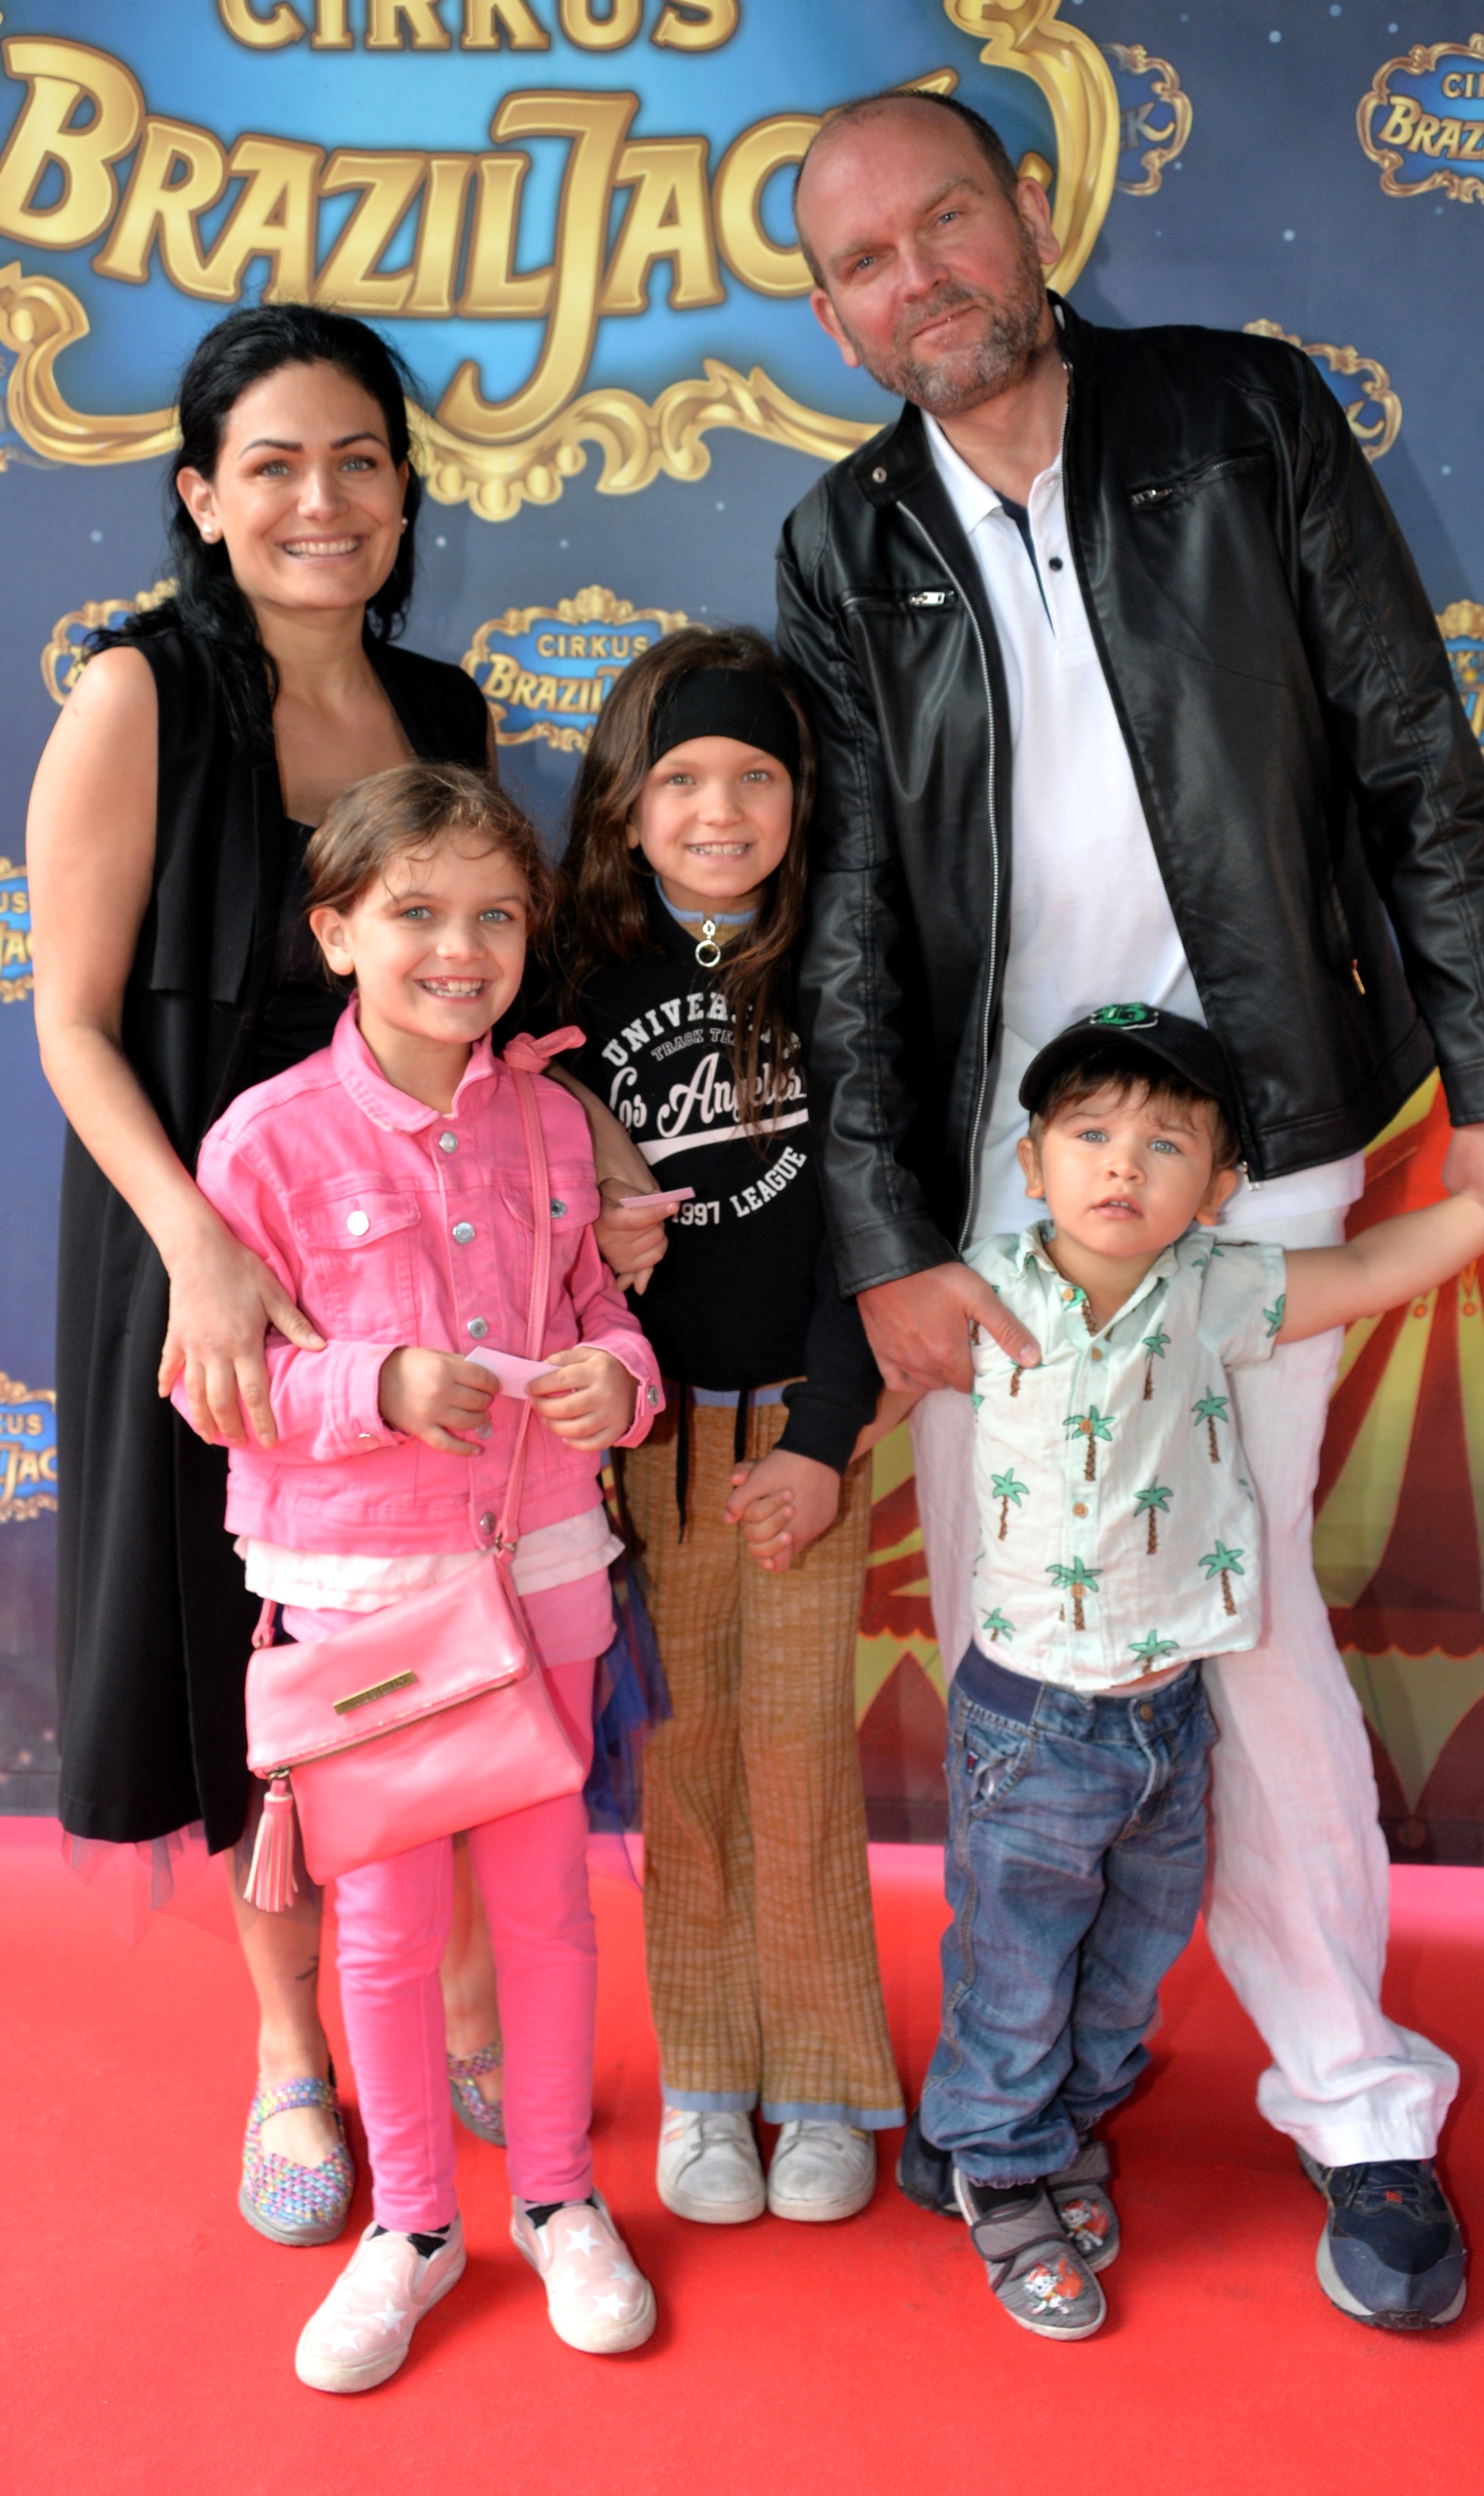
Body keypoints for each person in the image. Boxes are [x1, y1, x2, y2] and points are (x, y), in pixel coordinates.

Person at [776, 87, 1484, 2329]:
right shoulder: (843, 542)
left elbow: (1413, 754)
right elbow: (846, 920)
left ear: (1030, 212)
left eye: (947, 219)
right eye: (862, 262)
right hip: (990, 1179)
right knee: (1021, 1637)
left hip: (1253, 1129)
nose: (919, 279)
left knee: (1232, 1617)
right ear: (834, 318)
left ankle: (1355, 2099)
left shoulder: (1242, 417)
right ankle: (1028, 2092)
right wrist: (887, 1242)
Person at [28, 304, 647, 2243]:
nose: (322, 499)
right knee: (269, 1663)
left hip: (438, 1248)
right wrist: (202, 1258)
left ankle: (458, 2002)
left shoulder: (445, 709)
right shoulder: (136, 694)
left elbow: (488, 995)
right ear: (202, 495)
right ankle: (291, 2051)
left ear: (404, 491)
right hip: (209, 1245)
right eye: (275, 464)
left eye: (359, 460)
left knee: (459, 1617)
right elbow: (70, 1024)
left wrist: (601, 1140)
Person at [921, 1006, 1484, 2340]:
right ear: (1032, 1160)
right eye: (1090, 1134)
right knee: (1015, 1960)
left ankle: (1062, 2130)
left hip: (1167, 1718)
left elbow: (1368, 1264)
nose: (1123, 1166)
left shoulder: (1216, 1288)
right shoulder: (980, 1287)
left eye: (1166, 1145)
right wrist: (802, 1456)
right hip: (1025, 1721)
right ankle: (995, 2169)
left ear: (1222, 1186)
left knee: (1128, 1963)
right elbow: (870, 1377)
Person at [177, 761, 665, 2390]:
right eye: (417, 914)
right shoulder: (264, 1142)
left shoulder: (551, 1121)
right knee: (383, 1930)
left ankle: (555, 2196)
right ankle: (411, 2225)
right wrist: (372, 1384)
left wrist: (620, 1381)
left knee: (545, 1909)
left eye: (496, 916)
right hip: (367, 1601)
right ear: (336, 932)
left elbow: (600, 1308)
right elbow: (215, 1386)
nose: (461, 948)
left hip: (542, 1573)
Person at [554, 628, 906, 2225]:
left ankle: (824, 2079)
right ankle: (705, 2079)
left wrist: (826, 1437)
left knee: (800, 1760)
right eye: (681, 777)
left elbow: (869, 1229)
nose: (718, 810)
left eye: (754, 776)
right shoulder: (569, 981)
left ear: (800, 798)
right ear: (624, 802)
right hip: (641, 1442)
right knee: (684, 1761)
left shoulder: (845, 969)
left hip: (801, 1436)